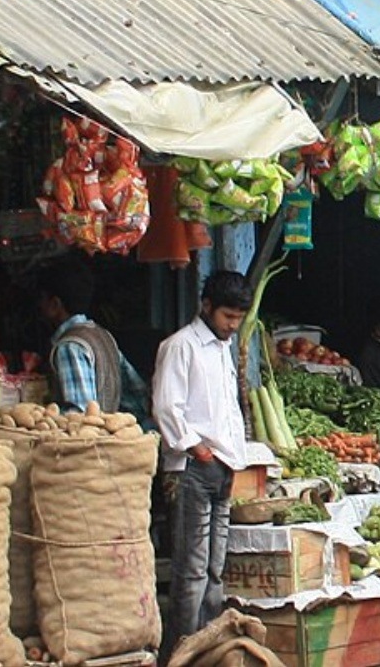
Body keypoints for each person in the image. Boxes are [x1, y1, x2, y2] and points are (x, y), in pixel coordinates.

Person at [153, 270, 252, 648]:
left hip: (222, 466)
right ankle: (183, 648)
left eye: (238, 319)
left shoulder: (222, 347)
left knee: (214, 568)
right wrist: (199, 449)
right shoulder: (182, 346)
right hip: (194, 467)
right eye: (228, 316)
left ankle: (211, 645)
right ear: (207, 306)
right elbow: (166, 407)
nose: (232, 325)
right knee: (192, 569)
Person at [36, 261, 151, 427]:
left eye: (42, 299)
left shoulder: (69, 347)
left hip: (88, 445)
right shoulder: (103, 335)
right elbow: (137, 393)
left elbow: (80, 415)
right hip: (108, 439)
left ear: (55, 304)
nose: (39, 306)